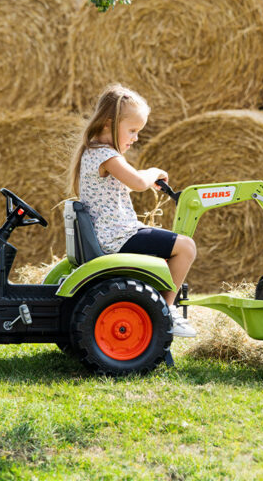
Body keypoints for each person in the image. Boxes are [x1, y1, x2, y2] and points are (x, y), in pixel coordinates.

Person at [69, 84, 197, 337]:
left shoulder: (94, 153)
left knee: (170, 246)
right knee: (186, 247)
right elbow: (137, 182)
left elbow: (124, 185)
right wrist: (152, 173)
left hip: (115, 234)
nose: (136, 138)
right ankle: (165, 310)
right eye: (132, 130)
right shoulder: (104, 155)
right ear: (108, 124)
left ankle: (155, 305)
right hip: (117, 238)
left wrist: (146, 179)